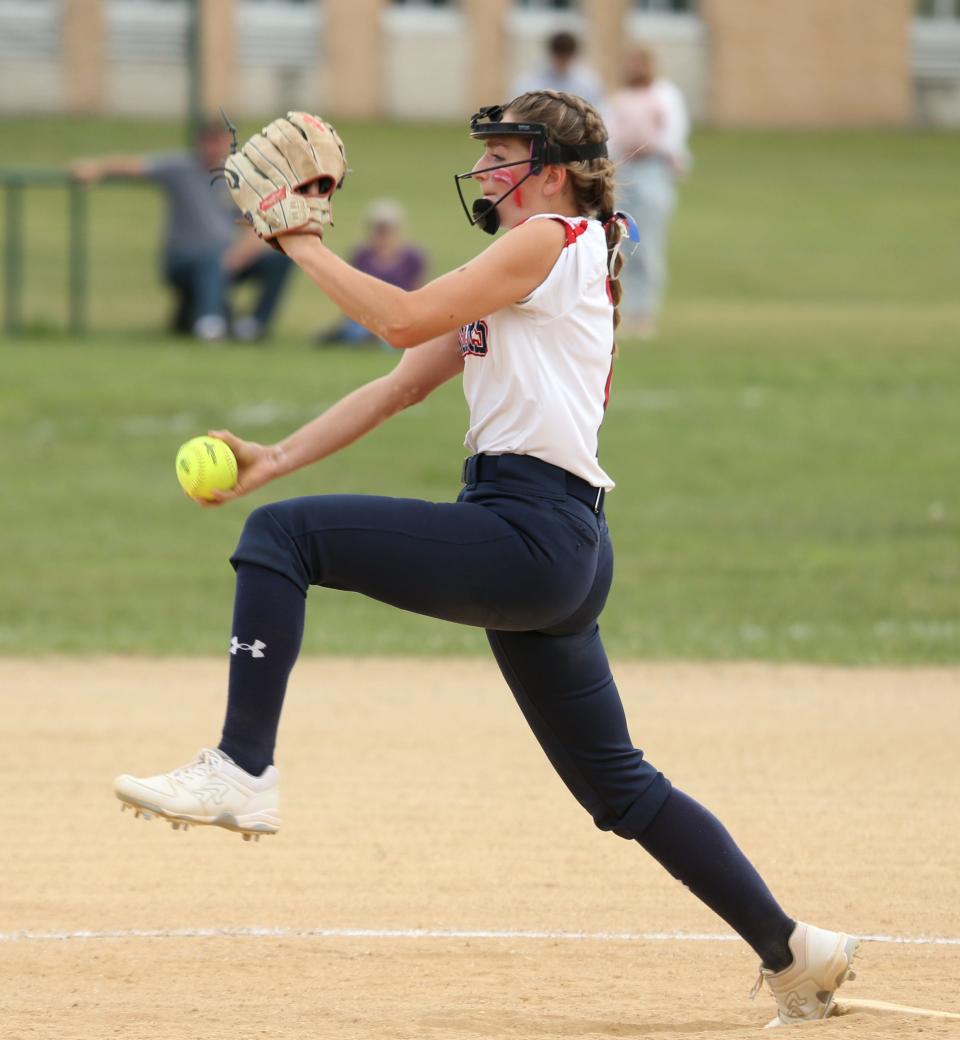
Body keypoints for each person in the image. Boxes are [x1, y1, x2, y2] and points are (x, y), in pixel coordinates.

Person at [113, 91, 857, 1027]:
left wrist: (293, 237)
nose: (489, 170)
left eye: (506, 154)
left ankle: (242, 768)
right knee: (621, 788)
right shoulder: (536, 260)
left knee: (281, 540)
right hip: (564, 549)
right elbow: (400, 378)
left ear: (552, 168)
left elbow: (393, 317)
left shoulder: (549, 239)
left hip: (530, 531)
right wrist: (274, 458)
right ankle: (795, 951)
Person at [71, 120, 293, 342]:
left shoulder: (236, 178)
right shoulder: (181, 168)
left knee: (281, 257)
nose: (212, 147)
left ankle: (253, 326)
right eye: (208, 140)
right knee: (211, 258)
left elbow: (255, 225)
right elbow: (135, 166)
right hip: (184, 259)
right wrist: (97, 168)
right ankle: (210, 324)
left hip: (226, 259)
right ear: (199, 142)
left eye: (218, 140)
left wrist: (239, 254)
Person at [602, 45, 691, 339]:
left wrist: (648, 144)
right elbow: (609, 137)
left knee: (647, 243)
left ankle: (646, 312)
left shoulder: (664, 96)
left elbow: (672, 137)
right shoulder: (619, 99)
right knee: (621, 242)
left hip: (652, 169)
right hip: (624, 171)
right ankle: (621, 310)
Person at [315, 198, 427, 346]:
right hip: (367, 314)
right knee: (358, 331)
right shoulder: (361, 255)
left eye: (387, 230)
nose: (383, 235)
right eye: (379, 230)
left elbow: (417, 291)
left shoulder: (413, 257)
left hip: (398, 314)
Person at [511, 30, 605, 108]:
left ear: (572, 56)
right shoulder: (531, 80)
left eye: (566, 59)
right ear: (552, 55)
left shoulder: (587, 82)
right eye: (560, 58)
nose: (562, 63)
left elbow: (600, 111)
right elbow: (515, 107)